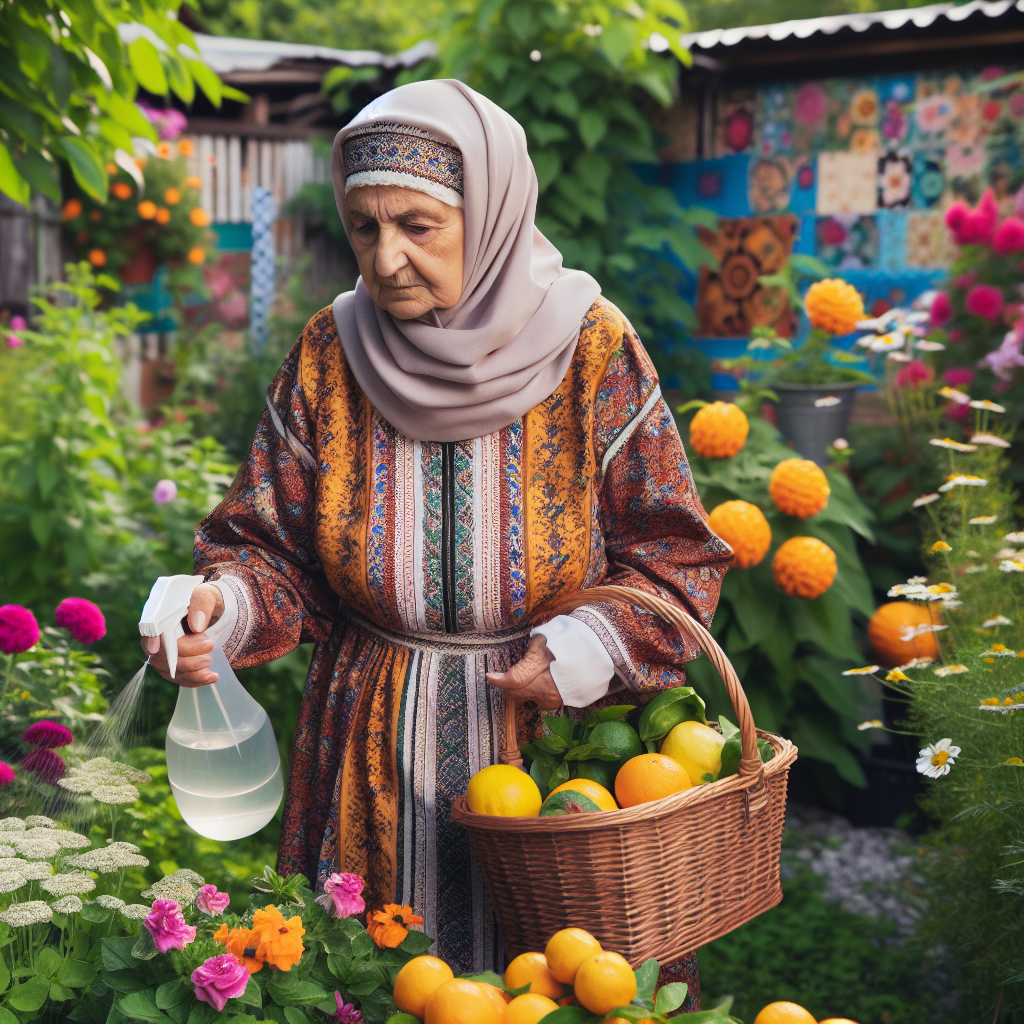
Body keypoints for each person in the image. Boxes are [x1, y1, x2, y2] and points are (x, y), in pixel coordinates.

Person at [141, 79, 731, 1001]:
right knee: (384, 980)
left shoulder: (592, 351)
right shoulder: (330, 355)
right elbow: (269, 545)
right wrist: (224, 603)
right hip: (371, 744)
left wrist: (584, 647)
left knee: (558, 988)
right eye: (366, 228)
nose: (387, 257)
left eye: (419, 224)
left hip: (552, 758)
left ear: (490, 211)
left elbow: (676, 553)